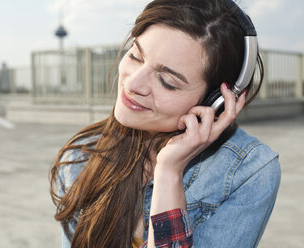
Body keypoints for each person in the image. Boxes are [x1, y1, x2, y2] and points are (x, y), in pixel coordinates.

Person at [50, 0, 281, 247]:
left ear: (215, 103)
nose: (133, 84)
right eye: (136, 56)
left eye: (167, 82)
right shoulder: (84, 155)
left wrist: (169, 173)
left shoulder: (248, 173)